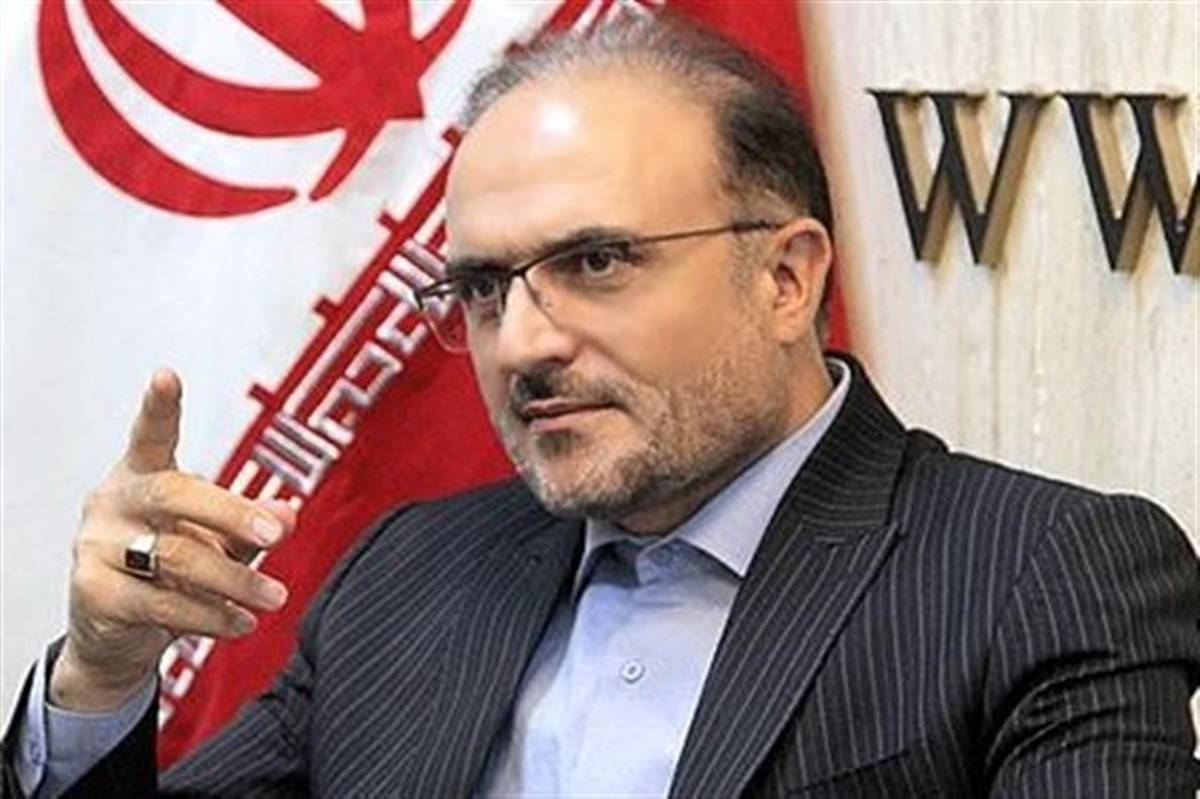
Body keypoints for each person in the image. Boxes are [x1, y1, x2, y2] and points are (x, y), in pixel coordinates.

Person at [4, 15, 1199, 798]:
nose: (524, 342)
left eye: (598, 261)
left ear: (786, 278)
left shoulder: (1043, 571)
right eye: (484, 287)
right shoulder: (408, 574)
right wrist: (103, 679)